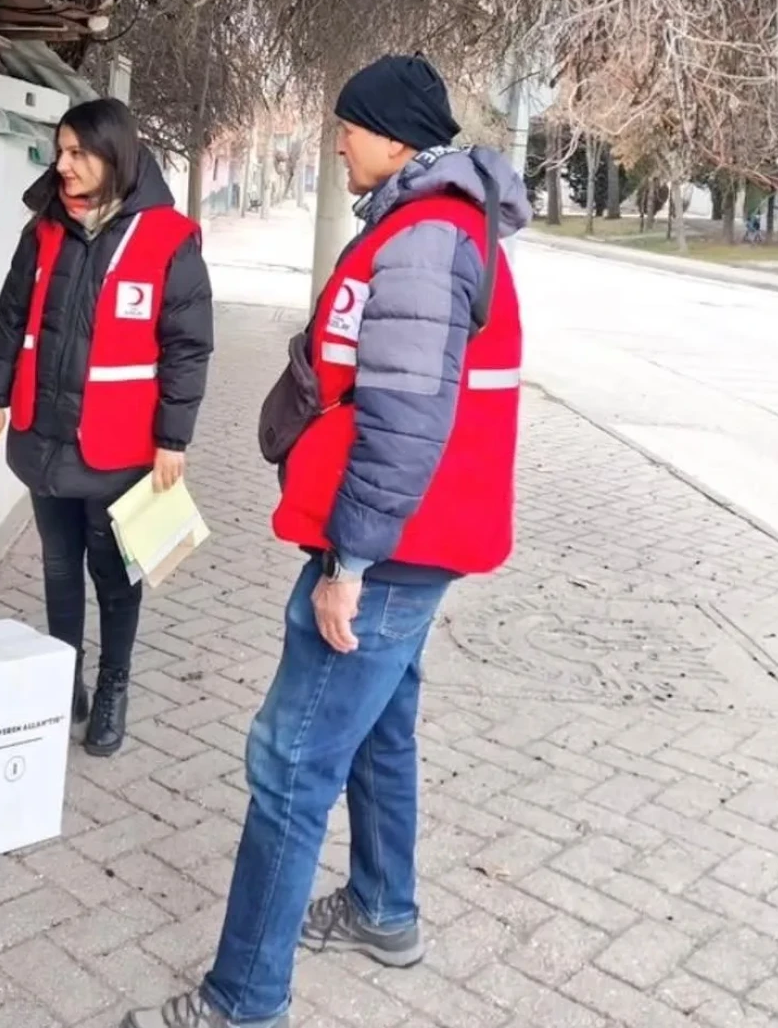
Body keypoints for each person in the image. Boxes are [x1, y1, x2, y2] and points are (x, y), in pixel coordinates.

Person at [125, 55, 530, 1028]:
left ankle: (240, 1002)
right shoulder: (419, 225)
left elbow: (401, 421)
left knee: (291, 763)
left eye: (347, 126)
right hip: (408, 541)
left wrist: (347, 564)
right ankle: (384, 910)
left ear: (394, 137)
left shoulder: (427, 239)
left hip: (388, 550)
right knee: (379, 728)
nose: (336, 141)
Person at [0, 99, 213, 757]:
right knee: (57, 564)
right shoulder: (44, 231)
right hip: (43, 435)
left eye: (78, 152)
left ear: (114, 155)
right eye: (60, 150)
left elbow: (188, 347)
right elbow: (12, 319)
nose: (64, 164)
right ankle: (64, 677)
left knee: (113, 570)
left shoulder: (168, 238)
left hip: (119, 446)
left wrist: (174, 436)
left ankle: (113, 683)